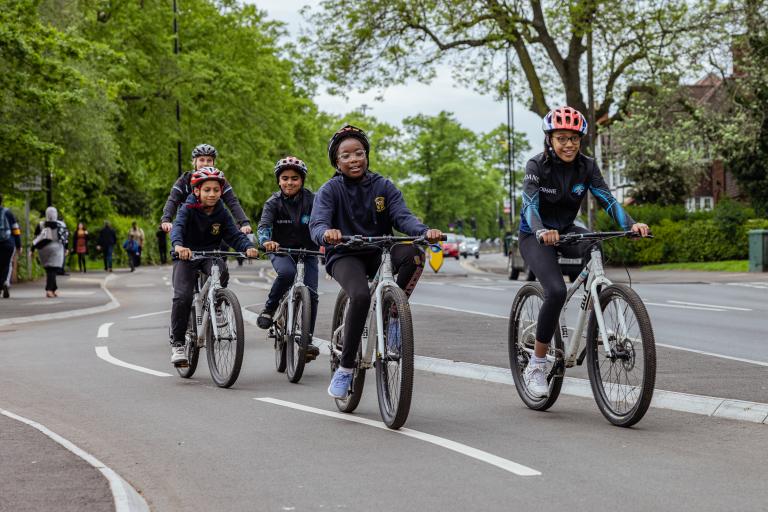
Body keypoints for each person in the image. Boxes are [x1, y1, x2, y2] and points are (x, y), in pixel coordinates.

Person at [518, 106, 650, 398]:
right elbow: (529, 207)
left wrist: (631, 224)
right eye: (562, 138)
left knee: (595, 244)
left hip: (566, 229)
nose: (569, 144)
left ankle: (596, 321)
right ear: (550, 140)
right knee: (555, 291)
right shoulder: (536, 166)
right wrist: (541, 231)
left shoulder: (587, 166)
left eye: (574, 139)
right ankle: (537, 364)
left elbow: (607, 199)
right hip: (535, 235)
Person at [309, 125, 443, 398]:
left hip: (378, 251)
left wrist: (423, 231)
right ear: (337, 161)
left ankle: (392, 314)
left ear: (367, 155)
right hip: (345, 254)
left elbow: (402, 216)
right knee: (359, 296)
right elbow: (318, 223)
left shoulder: (383, 186)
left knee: (415, 254)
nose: (354, 159)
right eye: (346, 155)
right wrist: (327, 233)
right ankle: (346, 368)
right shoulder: (330, 190)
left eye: (359, 153)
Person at [169, 167, 258, 366]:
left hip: (210, 254)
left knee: (222, 271)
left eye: (216, 190)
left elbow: (234, 235)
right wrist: (179, 246)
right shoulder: (188, 209)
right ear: (197, 191)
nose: (212, 194)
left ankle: (216, 303)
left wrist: (248, 247)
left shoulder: (221, 212)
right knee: (182, 296)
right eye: (207, 190)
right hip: (187, 255)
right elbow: (178, 228)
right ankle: (178, 344)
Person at [256, 156, 320, 359]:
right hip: (281, 250)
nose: (289, 182)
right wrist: (266, 241)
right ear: (278, 180)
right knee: (287, 273)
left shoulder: (313, 200)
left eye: (294, 178)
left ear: (302, 180)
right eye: (285, 178)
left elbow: (323, 222)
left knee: (312, 294)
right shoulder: (273, 203)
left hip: (308, 252)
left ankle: (307, 340)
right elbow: (264, 226)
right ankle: (270, 307)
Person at [160, 144, 252, 235]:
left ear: (213, 163)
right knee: (178, 242)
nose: (205, 163)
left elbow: (232, 202)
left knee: (223, 239)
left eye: (209, 160)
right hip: (187, 227)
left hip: (211, 226)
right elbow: (173, 200)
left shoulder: (219, 180)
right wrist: (166, 220)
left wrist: (244, 223)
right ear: (194, 162)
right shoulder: (185, 180)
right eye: (201, 160)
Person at [32, 206, 69, 298]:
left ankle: (53, 289)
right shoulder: (61, 224)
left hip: (43, 250)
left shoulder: (41, 224)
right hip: (56, 249)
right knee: (53, 270)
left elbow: (36, 238)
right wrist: (66, 249)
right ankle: (49, 290)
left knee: (50, 269)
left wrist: (32, 249)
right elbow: (65, 238)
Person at [0, 194, 22, 298]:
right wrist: (18, 245)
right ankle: (5, 282)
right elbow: (16, 230)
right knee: (7, 263)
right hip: (8, 242)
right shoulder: (7, 212)